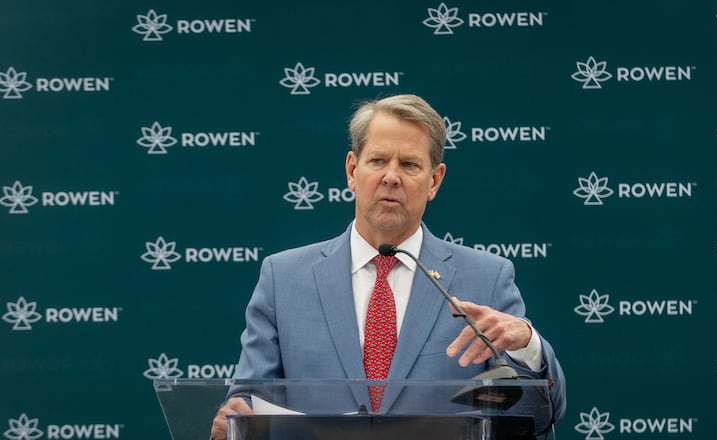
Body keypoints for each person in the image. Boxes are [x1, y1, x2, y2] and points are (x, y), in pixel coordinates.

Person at [210, 94, 566, 440]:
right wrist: (232, 422)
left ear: (435, 180)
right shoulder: (283, 278)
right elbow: (246, 405)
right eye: (378, 161)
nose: (391, 177)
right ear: (352, 170)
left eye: (409, 165)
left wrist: (528, 346)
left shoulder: (487, 278)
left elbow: (539, 415)